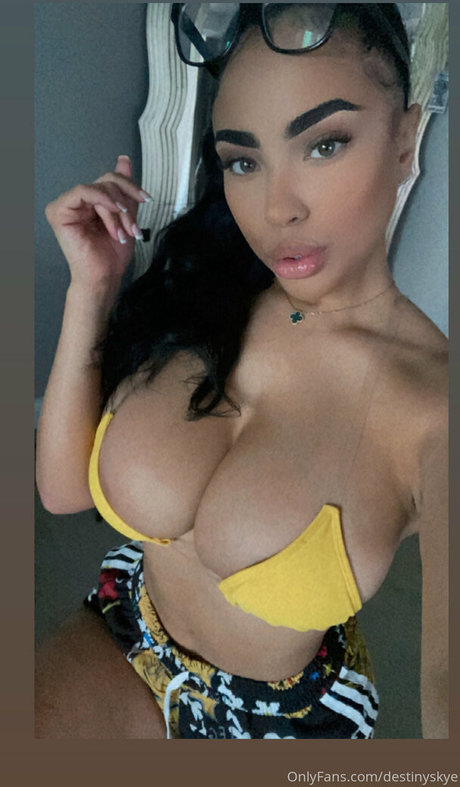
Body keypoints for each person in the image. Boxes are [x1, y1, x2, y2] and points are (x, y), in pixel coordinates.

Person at [35, 3, 448, 739]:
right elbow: (64, 491)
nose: (277, 209)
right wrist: (91, 289)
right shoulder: (206, 287)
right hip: (130, 628)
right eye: (243, 160)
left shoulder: (434, 404)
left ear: (404, 139)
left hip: (283, 717)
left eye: (325, 144)